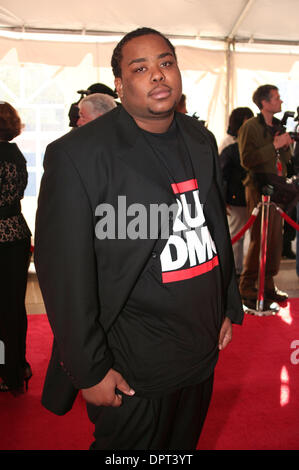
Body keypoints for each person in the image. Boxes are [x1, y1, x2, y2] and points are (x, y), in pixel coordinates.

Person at [35, 27, 243, 450]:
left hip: (199, 353)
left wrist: (225, 303)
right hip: (134, 365)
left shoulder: (198, 139)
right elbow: (64, 276)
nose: (158, 76)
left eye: (166, 63)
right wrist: (88, 369)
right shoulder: (78, 155)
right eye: (140, 68)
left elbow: (212, 229)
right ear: (119, 83)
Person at [238, 85, 293, 309]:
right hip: (258, 188)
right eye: (277, 98)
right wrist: (274, 145)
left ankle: (268, 284)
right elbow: (246, 160)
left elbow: (285, 158)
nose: (280, 102)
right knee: (259, 238)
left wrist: (286, 144)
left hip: (278, 187)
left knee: (275, 240)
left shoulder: (278, 126)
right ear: (265, 102)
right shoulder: (250, 127)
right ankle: (248, 285)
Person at [0, 102, 32, 394]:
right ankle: (17, 368)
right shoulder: (16, 154)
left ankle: (2, 370)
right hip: (17, 234)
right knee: (13, 307)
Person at [220, 107, 254, 277]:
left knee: (253, 237)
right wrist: (224, 197)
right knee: (236, 237)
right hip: (236, 198)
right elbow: (222, 174)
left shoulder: (250, 141)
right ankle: (235, 272)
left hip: (251, 197)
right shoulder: (228, 144)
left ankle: (247, 272)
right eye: (246, 120)